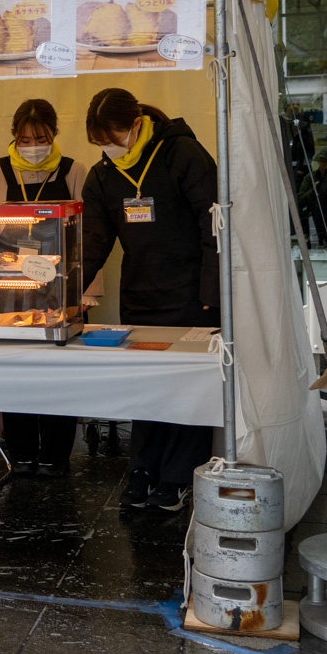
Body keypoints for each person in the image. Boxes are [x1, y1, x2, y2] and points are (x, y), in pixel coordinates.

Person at [80, 88, 218, 512]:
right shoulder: (103, 173)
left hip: (192, 292)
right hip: (139, 292)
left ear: (136, 124)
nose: (107, 147)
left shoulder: (185, 154)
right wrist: (70, 291)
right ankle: (142, 469)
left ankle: (177, 477)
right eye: (99, 141)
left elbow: (214, 226)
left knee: (186, 385)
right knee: (147, 386)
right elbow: (92, 239)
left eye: (112, 136)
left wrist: (213, 293)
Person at [0, 99, 89, 478]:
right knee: (14, 370)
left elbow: (89, 235)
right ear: (13, 137)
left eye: (41, 137)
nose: (33, 144)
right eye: (25, 138)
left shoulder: (74, 170)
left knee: (59, 372)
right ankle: (20, 453)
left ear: (54, 134)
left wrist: (88, 291)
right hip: (11, 286)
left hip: (60, 286)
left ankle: (56, 455)